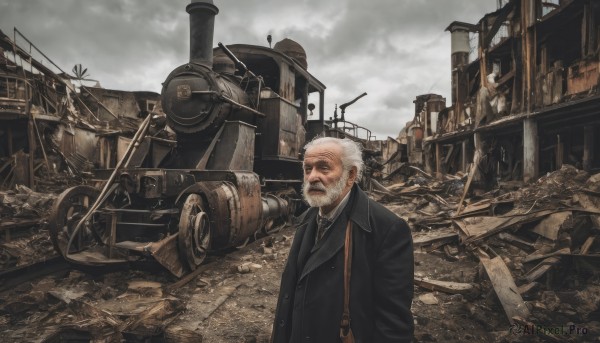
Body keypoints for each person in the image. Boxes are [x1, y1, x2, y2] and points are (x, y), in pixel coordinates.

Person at [272, 137, 414, 342]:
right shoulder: (307, 220)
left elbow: (393, 325)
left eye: (324, 168)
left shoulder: (387, 229)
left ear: (350, 175)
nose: (312, 177)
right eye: (308, 168)